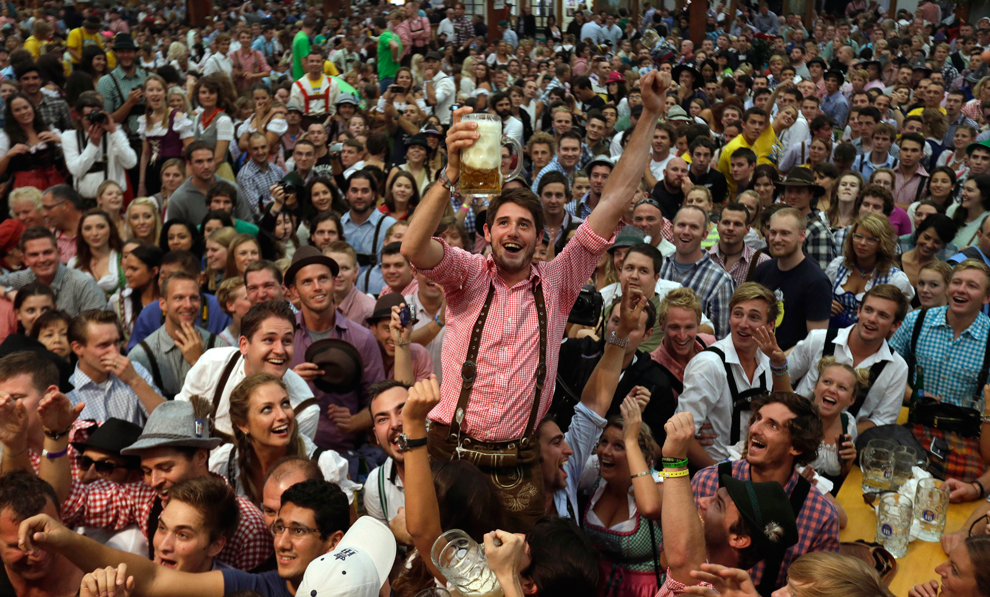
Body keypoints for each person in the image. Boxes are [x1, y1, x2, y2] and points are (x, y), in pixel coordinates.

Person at [400, 71, 672, 526]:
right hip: (451, 450)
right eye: (503, 222)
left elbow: (617, 196)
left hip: (517, 461)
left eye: (524, 224)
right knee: (443, 563)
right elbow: (412, 248)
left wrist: (648, 113)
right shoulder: (467, 273)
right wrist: (449, 174)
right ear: (487, 234)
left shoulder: (559, 280)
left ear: (540, 237)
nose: (513, 231)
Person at [15, 477, 386, 597]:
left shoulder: (366, 585)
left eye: (299, 531)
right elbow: (153, 578)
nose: (283, 542)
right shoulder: (258, 587)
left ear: (334, 542)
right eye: (279, 527)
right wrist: (63, 539)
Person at [689, 389, 840, 591]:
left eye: (772, 425)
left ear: (796, 447)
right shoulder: (707, 481)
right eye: (757, 419)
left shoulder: (821, 516)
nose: (754, 429)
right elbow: (669, 556)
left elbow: (818, 594)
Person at [656, 410, 800, 597]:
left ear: (739, 539)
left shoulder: (709, 590)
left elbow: (684, 560)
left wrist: (675, 460)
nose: (701, 501)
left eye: (718, 505)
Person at [889, 259, 990, 482]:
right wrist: (910, 394)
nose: (961, 289)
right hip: (916, 425)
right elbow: (886, 366)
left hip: (966, 437)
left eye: (972, 286)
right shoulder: (916, 320)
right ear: (948, 288)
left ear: (986, 298)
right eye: (957, 282)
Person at [284, 246, 385, 453]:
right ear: (294, 290)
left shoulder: (361, 338)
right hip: (288, 449)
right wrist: (290, 381)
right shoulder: (282, 337)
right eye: (307, 282)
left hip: (344, 454)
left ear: (333, 281)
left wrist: (356, 421)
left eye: (323, 279)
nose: (317, 287)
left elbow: (380, 400)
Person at [176, 300, 318, 442]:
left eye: (287, 341)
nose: (280, 351)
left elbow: (285, 462)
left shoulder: (305, 409)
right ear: (244, 345)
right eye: (269, 340)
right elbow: (178, 423)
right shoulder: (213, 365)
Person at [207, 372, 356, 506]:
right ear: (243, 425)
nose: (282, 416)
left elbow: (349, 533)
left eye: (285, 404)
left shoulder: (324, 465)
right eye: (267, 409)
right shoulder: (226, 464)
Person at [677, 282, 780, 465]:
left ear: (770, 324)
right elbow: (681, 435)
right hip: (714, 475)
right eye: (737, 314)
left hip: (757, 470)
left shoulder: (768, 362)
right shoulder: (709, 365)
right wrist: (719, 477)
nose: (743, 324)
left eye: (754, 317)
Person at [785, 284, 911, 433]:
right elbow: (784, 377)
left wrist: (837, 436)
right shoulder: (819, 339)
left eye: (882, 315)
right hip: (793, 430)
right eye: (868, 310)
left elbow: (882, 421)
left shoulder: (897, 367)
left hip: (844, 447)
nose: (872, 319)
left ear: (896, 325)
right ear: (859, 311)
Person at [128, 271, 229, 401]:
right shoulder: (141, 356)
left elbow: (225, 400)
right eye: (179, 298)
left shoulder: (219, 347)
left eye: (193, 298)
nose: (188, 305)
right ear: (162, 304)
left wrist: (198, 362)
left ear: (200, 302)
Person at [66, 309, 164, 426]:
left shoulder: (134, 371)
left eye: (116, 342)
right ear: (78, 348)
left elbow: (168, 421)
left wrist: (135, 381)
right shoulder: (68, 392)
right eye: (103, 345)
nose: (114, 351)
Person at [126, 250, 231, 351]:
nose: (166, 283)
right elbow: (134, 356)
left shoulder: (220, 308)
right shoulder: (149, 312)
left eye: (174, 277)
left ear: (197, 279)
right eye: (162, 277)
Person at [0, 471, 84, 597]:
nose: (38, 556)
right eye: (20, 546)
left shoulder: (96, 576)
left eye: (46, 540)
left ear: (62, 522)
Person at [825, 213, 915, 328]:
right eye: (858, 236)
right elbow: (819, 297)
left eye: (871, 239)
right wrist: (826, 303)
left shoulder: (895, 279)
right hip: (831, 336)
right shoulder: (837, 266)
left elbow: (904, 322)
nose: (862, 243)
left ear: (882, 243)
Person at [659, 206, 735, 338]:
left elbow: (721, 339)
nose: (686, 232)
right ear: (671, 229)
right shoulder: (658, 266)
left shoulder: (720, 281)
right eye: (681, 225)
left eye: (694, 227)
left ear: (705, 235)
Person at [0, 227, 106, 316]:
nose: (42, 259)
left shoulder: (83, 284)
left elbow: (100, 327)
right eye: (34, 255)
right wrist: (8, 292)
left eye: (47, 252)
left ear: (59, 253)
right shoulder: (21, 279)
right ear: (25, 259)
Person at [62, 94, 137, 200]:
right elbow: (76, 170)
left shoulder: (115, 133)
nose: (93, 120)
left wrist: (113, 132)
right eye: (88, 117)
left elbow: (131, 163)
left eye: (97, 115)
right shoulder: (70, 137)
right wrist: (93, 145)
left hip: (113, 200)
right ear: (79, 117)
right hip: (85, 200)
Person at [0, 91, 68, 193]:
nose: (23, 112)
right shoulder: (6, 136)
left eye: (26, 107)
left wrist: (61, 141)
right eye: (17, 110)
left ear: (32, 108)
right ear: (11, 114)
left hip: (54, 184)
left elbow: (71, 159)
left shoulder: (50, 130)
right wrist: (8, 155)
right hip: (24, 188)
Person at [137, 75, 193, 198]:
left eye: (159, 90)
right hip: (152, 173)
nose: (155, 94)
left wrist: (187, 180)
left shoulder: (177, 118)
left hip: (175, 173)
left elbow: (191, 151)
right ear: (145, 94)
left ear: (165, 93)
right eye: (151, 90)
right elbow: (145, 154)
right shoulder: (144, 120)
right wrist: (141, 184)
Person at [776, 167, 836, 271]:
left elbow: (821, 274)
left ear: (810, 194)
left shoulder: (817, 231)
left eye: (799, 192)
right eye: (789, 191)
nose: (793, 196)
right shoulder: (780, 223)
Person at [366, 294, 433, 382]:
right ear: (374, 329)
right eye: (387, 329)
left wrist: (402, 345)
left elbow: (417, 394)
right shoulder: (364, 352)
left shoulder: (419, 355)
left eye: (400, 328)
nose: (394, 336)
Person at [709, 203, 770, 286]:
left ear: (747, 230)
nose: (730, 228)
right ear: (718, 226)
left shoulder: (761, 261)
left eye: (737, 224)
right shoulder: (704, 257)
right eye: (726, 223)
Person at [68, 209, 124, 297]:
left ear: (110, 228)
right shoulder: (74, 263)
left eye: (101, 227)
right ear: (81, 232)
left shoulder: (124, 257)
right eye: (88, 228)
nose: (94, 233)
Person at [289, 50, 340, 125]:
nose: (315, 64)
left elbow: (337, 106)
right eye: (312, 61)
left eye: (318, 61)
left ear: (322, 64)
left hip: (329, 121)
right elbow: (295, 109)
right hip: (306, 122)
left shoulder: (333, 83)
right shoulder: (297, 85)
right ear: (306, 63)